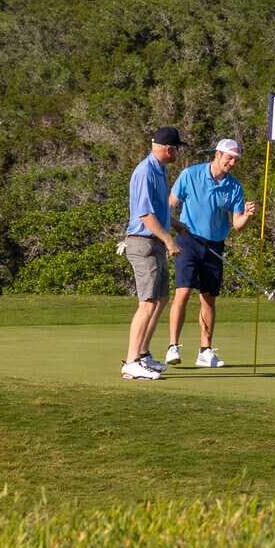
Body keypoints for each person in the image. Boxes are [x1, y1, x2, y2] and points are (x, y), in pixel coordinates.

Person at [165, 137, 257, 367]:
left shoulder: (234, 186)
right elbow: (168, 207)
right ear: (217, 154)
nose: (232, 163)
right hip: (188, 241)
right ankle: (172, 347)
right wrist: (175, 226)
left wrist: (246, 216)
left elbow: (237, 225)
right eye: (229, 158)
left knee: (208, 298)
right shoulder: (191, 174)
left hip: (214, 246)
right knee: (183, 292)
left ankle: (205, 351)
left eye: (236, 160)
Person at [120, 126, 184, 380]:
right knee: (146, 303)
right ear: (168, 149)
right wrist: (169, 240)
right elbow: (145, 215)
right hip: (144, 243)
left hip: (154, 241)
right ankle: (131, 362)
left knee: (161, 298)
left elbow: (159, 210)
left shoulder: (160, 169)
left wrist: (175, 224)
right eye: (177, 148)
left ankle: (143, 354)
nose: (179, 152)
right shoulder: (145, 172)